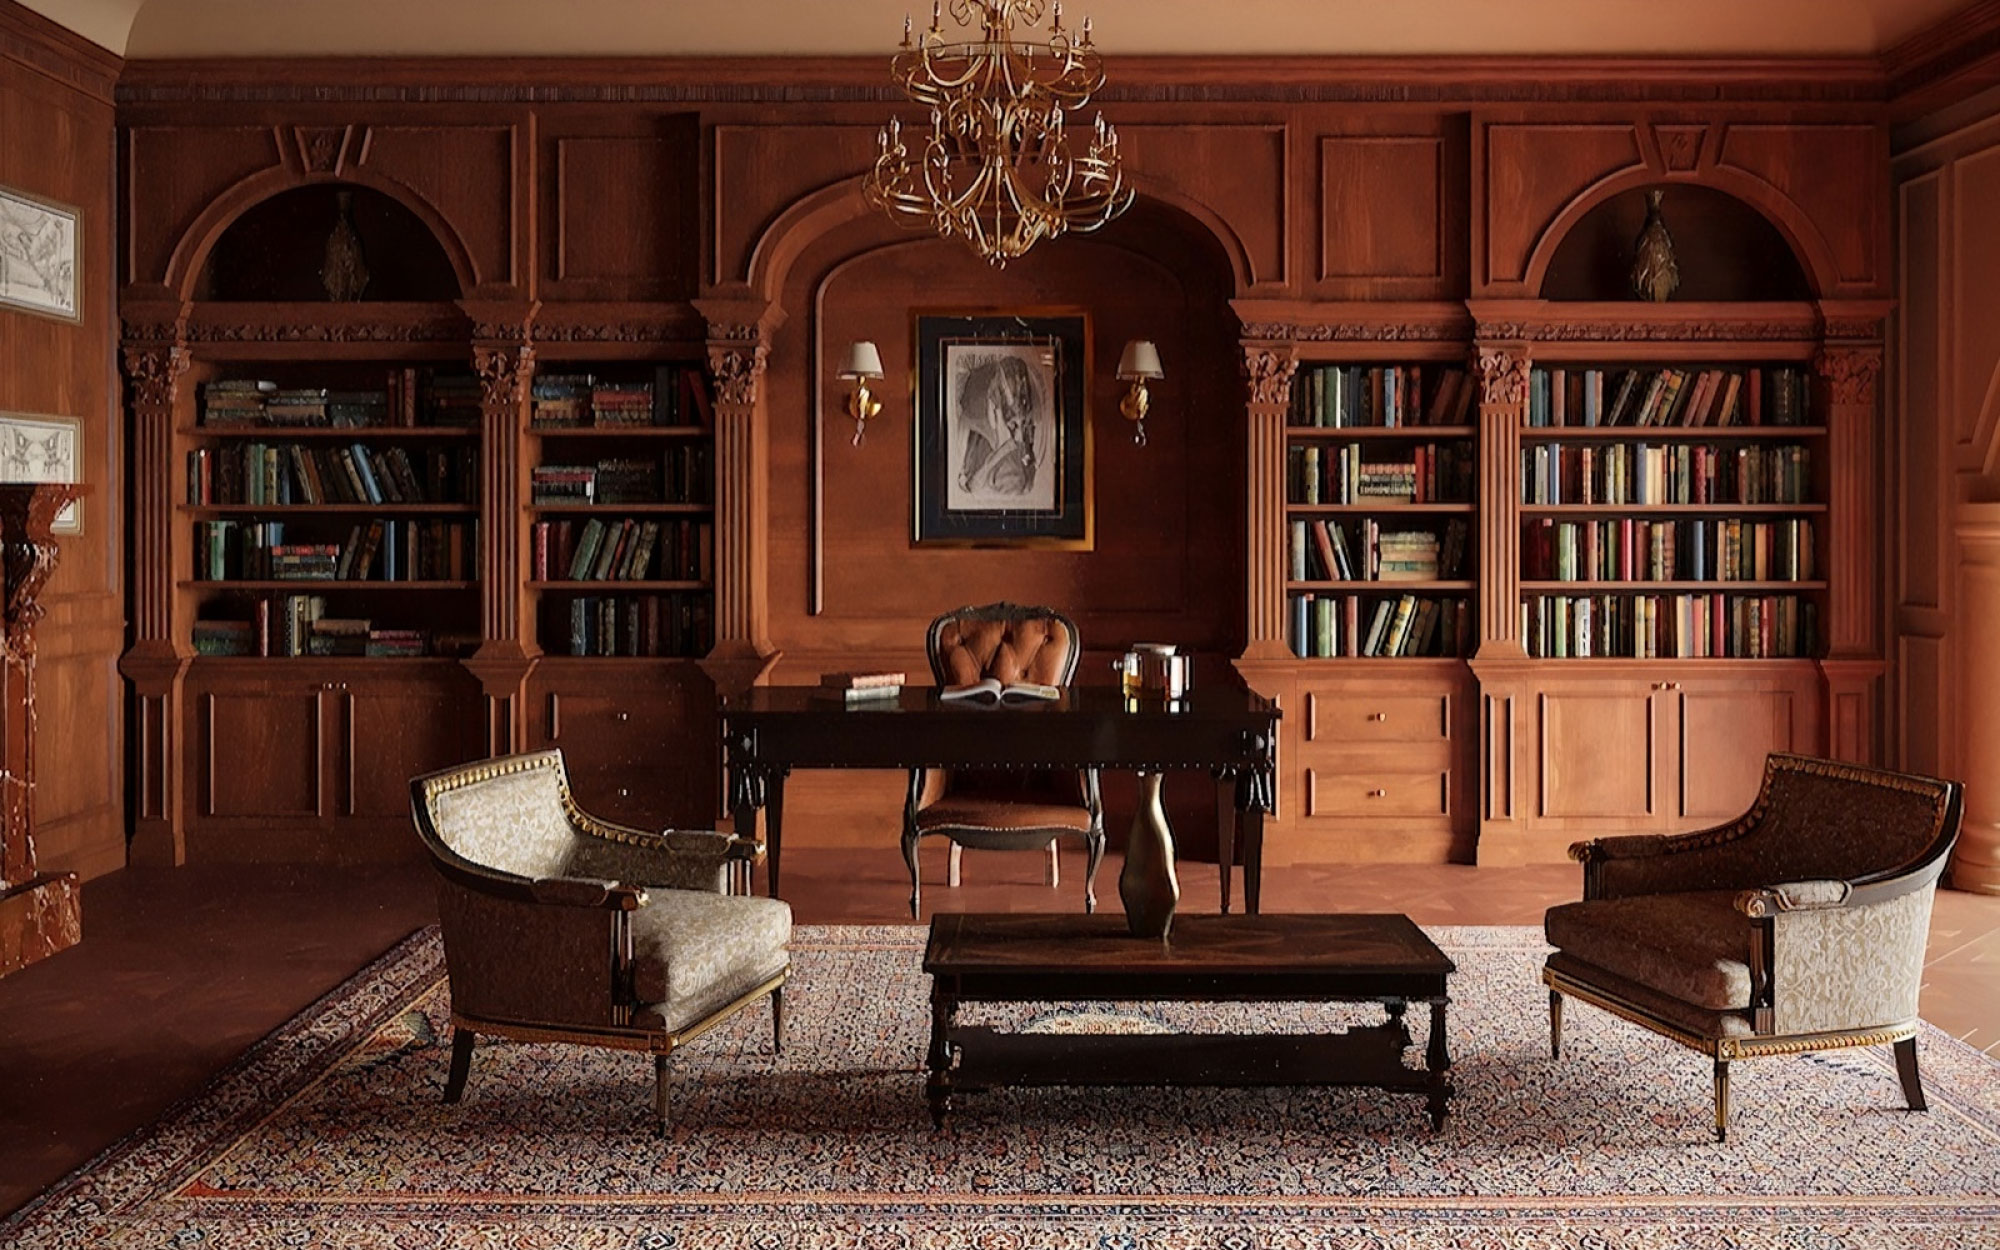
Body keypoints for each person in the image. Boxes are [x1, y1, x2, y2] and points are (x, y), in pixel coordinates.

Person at [954, 353, 1043, 498]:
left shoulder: (1015, 473)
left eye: (1024, 423)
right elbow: (970, 485)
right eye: (1013, 425)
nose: (1020, 436)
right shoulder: (978, 438)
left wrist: (1008, 448)